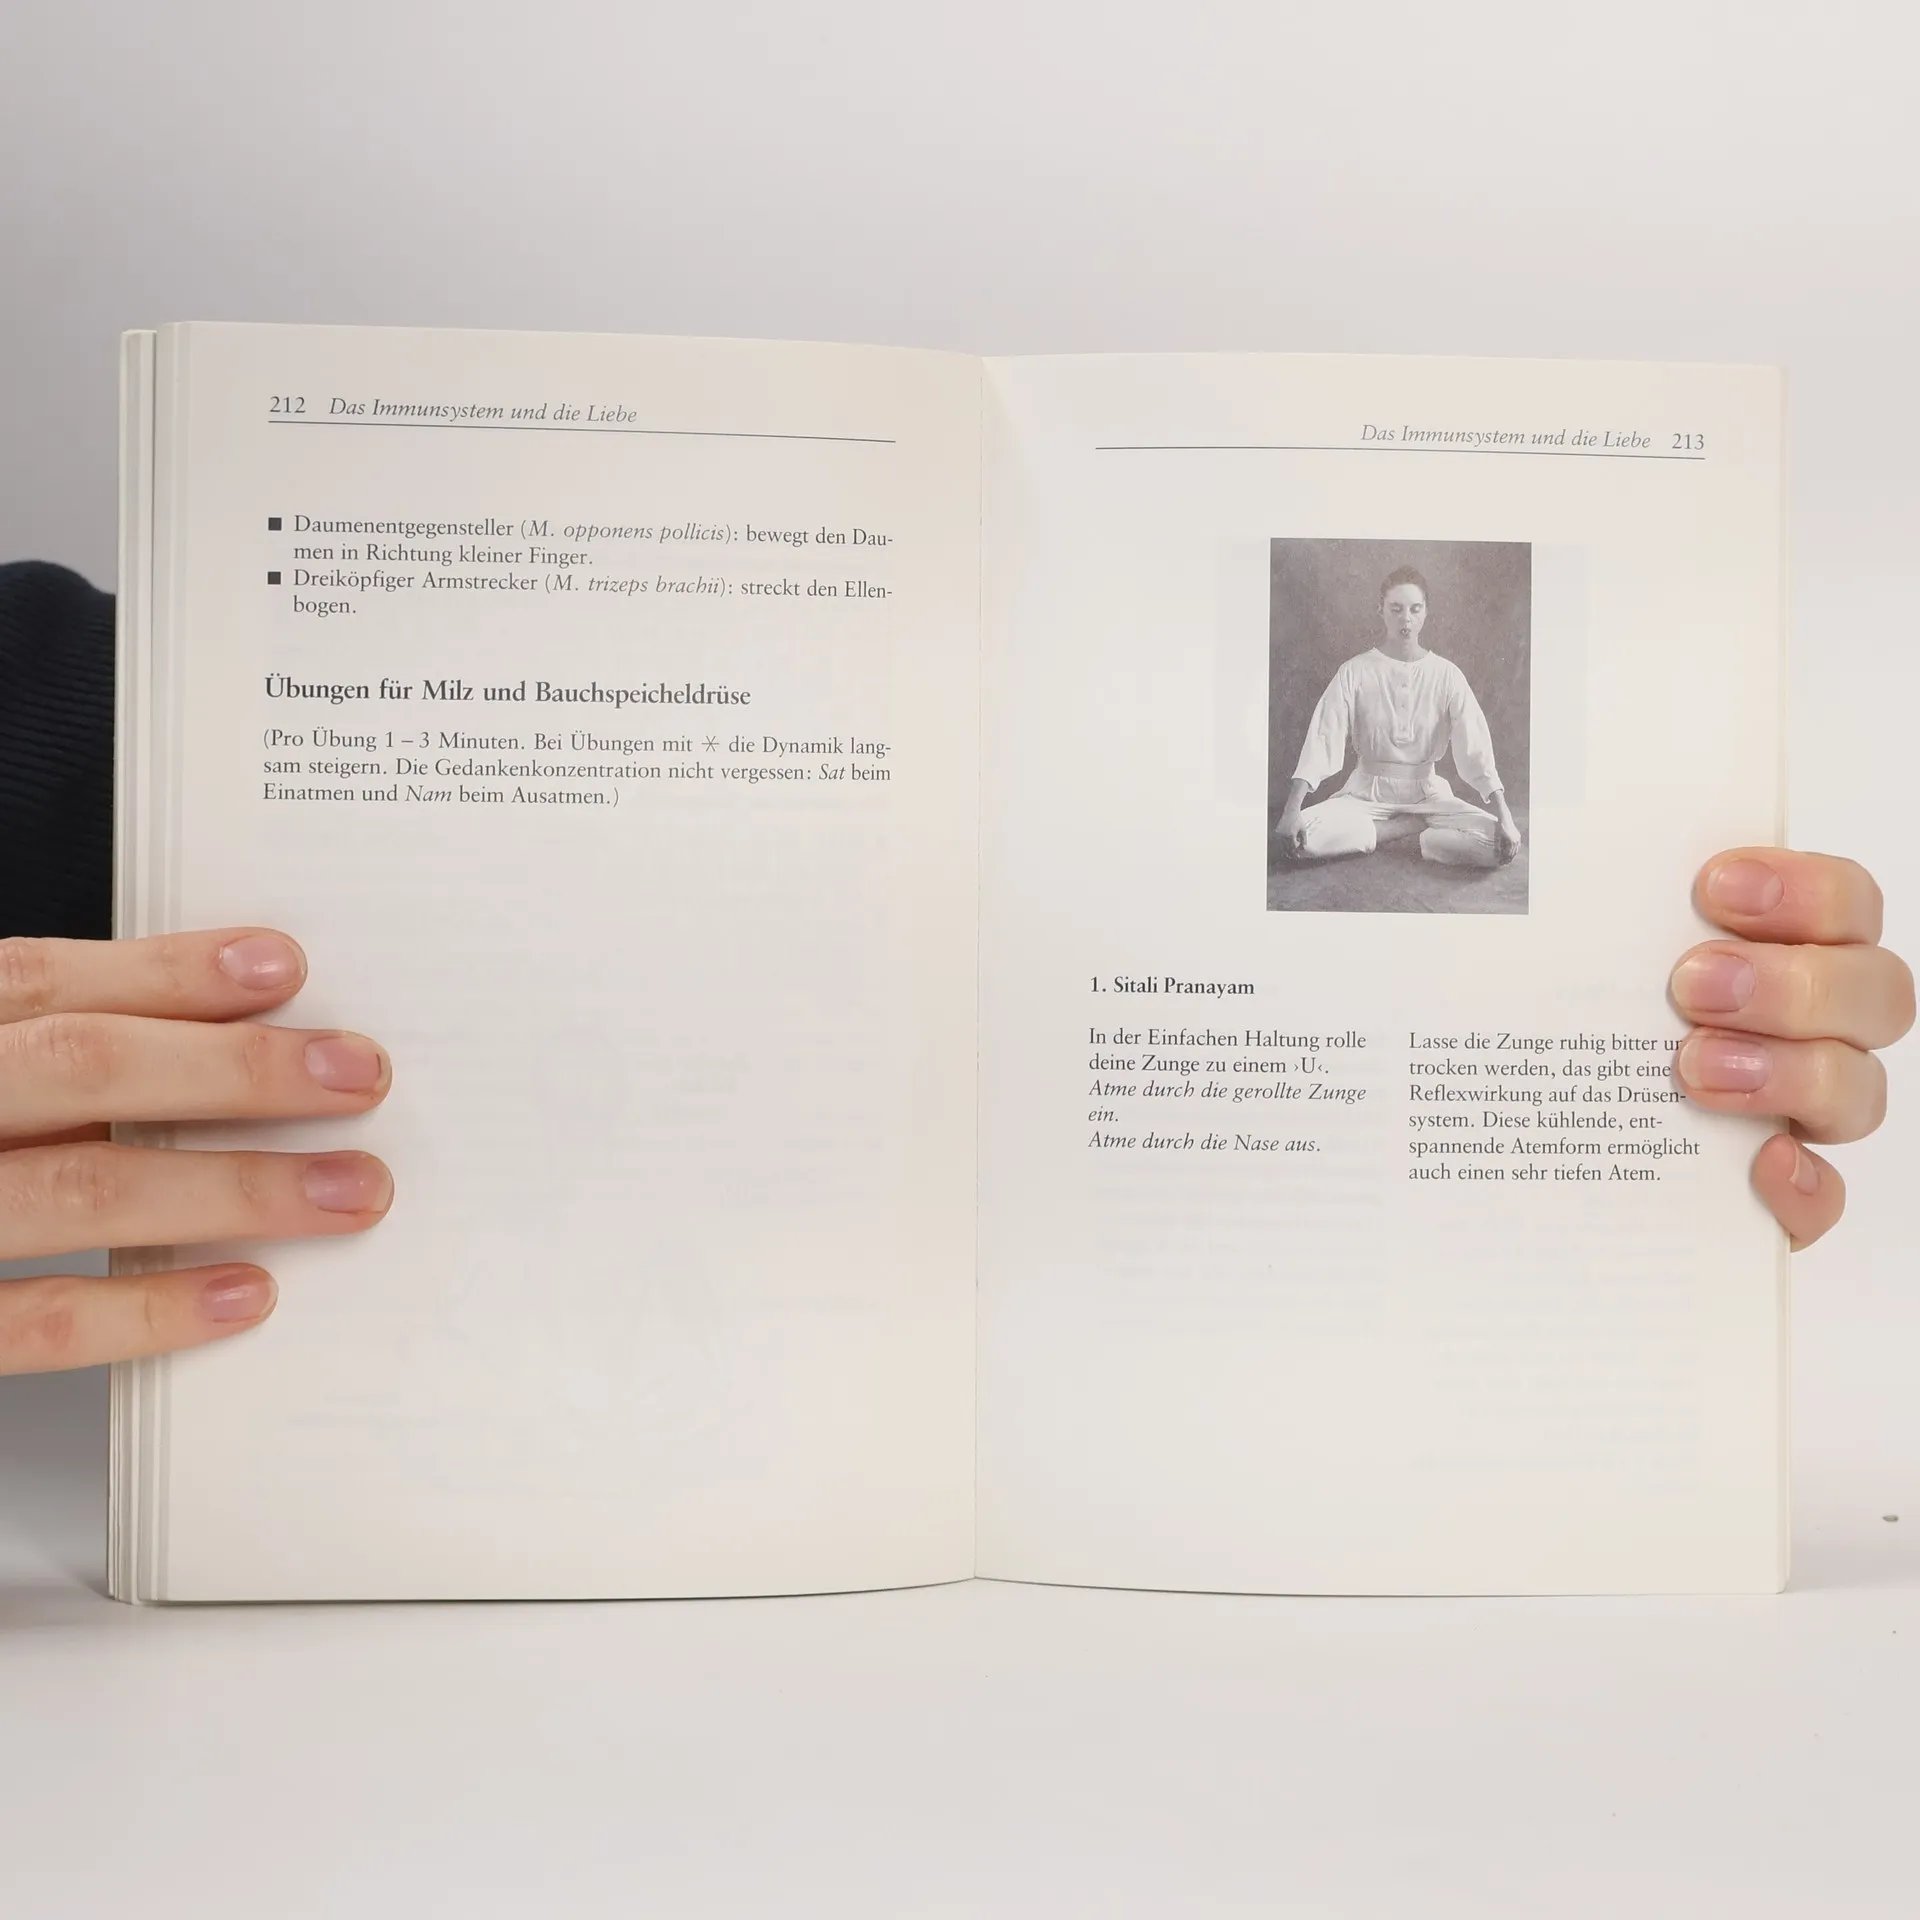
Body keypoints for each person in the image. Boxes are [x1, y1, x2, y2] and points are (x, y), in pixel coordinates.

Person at [0, 562, 1911, 1374]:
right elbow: (1316, 778)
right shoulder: (1350, 675)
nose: (1407, 623)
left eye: (1421, 605)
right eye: (1395, 605)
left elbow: (1486, 786)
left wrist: (1617, 991)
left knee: (1478, 842)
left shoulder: (116, 706)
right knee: (1336, 832)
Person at [1275, 566, 1523, 867]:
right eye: (1396, 609)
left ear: (1426, 611)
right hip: (1366, 794)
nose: (1406, 619)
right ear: (1380, 610)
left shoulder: (1447, 675)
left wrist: (1505, 816)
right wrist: (1292, 811)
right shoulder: (1355, 671)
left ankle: (1421, 837)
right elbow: (1323, 737)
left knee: (1497, 845)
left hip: (1428, 796)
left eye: (1415, 609)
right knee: (1302, 838)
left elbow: (1476, 748)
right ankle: (1398, 830)